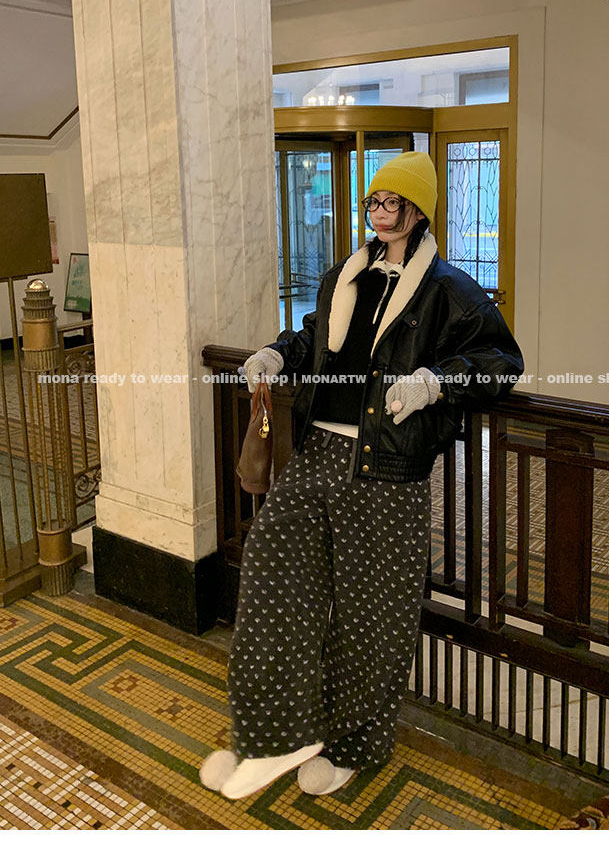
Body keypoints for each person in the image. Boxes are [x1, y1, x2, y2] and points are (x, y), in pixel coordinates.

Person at [199, 150, 524, 800]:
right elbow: (316, 341)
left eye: (391, 201)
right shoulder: (344, 276)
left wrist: (435, 382)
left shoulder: (449, 290)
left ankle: (351, 745)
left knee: (371, 618)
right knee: (270, 576)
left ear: (417, 210)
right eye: (373, 200)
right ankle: (273, 736)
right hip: (315, 452)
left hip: (387, 469)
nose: (378, 211)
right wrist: (277, 353)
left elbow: (501, 361)